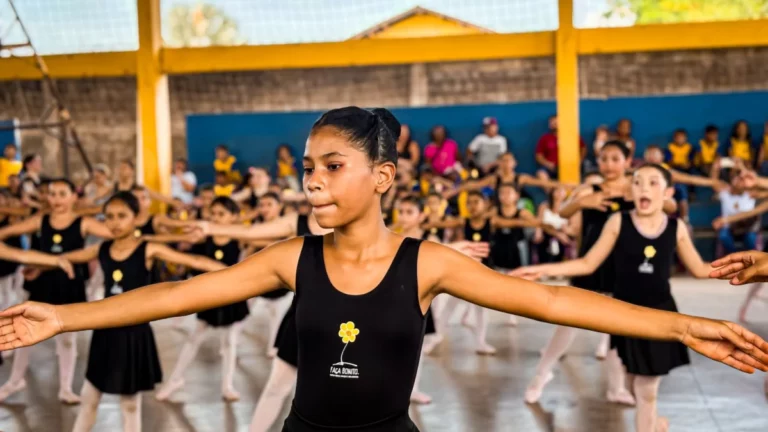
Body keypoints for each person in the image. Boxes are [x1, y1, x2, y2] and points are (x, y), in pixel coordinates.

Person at [1, 108, 767, 432]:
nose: (314, 182)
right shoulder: (291, 260)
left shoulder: (424, 263)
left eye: (334, 167)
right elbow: (175, 294)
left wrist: (684, 324)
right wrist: (65, 316)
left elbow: (561, 307)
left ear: (384, 177)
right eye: (309, 168)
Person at [513, 163, 712, 432]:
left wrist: (750, 266)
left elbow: (700, 269)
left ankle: (649, 424)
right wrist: (543, 269)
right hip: (623, 315)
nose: (643, 188)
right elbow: (587, 264)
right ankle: (656, 425)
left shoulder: (675, 228)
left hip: (659, 315)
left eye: (653, 183)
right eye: (638, 182)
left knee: (645, 390)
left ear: (668, 193)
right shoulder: (619, 221)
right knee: (632, 384)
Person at [59, 192, 225, 432]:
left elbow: (195, 261)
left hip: (134, 334)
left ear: (137, 218)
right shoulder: (102, 249)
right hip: (105, 330)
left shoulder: (147, 249)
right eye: (110, 217)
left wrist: (240, 274)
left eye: (122, 216)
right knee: (89, 397)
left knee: (130, 404)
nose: (115, 222)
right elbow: (68, 257)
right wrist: (52, 262)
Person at [0, 178, 113, 404]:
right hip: (42, 282)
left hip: (69, 284)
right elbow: (8, 231)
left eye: (62, 194)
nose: (56, 199)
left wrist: (91, 254)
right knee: (26, 334)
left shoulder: (83, 223)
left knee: (67, 339)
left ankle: (65, 387)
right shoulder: (41, 220)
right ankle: (15, 381)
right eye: (52, 194)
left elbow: (116, 235)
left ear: (73, 197)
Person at [154, 197, 249, 402]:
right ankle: (175, 380)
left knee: (229, 342)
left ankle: (227, 385)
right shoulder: (204, 238)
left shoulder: (238, 238)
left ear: (233, 218)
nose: (216, 218)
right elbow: (185, 251)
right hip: (209, 295)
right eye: (213, 213)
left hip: (232, 295)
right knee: (194, 338)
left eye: (221, 214)